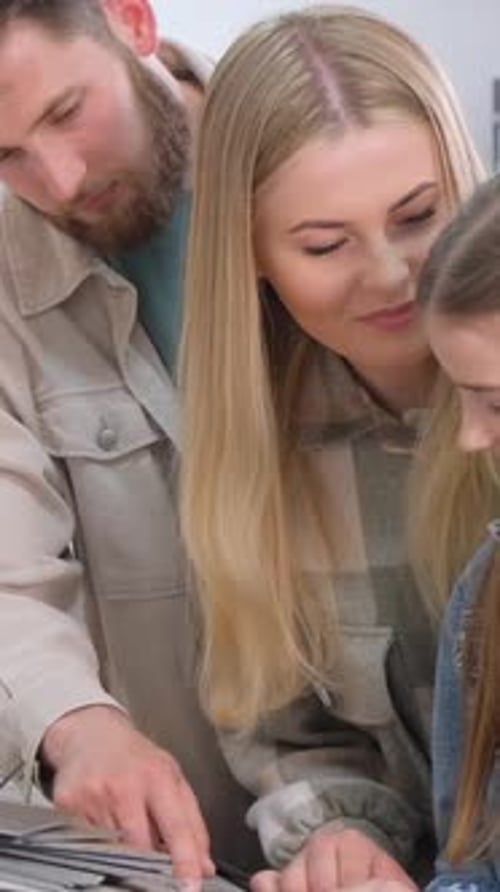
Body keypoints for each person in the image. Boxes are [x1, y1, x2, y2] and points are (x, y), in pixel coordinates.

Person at [180, 6, 484, 891]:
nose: (392, 275)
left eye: (420, 215)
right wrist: (345, 841)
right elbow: (294, 740)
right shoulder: (253, 459)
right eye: (325, 244)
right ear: (253, 256)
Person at [0, 0, 261, 879]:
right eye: (6, 156)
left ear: (131, 22)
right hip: (189, 841)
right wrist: (79, 724)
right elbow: (9, 567)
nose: (61, 181)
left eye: (66, 112)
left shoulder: (318, 160)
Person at [410, 173, 500, 891]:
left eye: (495, 404)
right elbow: (470, 866)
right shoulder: (485, 594)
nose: (470, 438)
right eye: (463, 398)